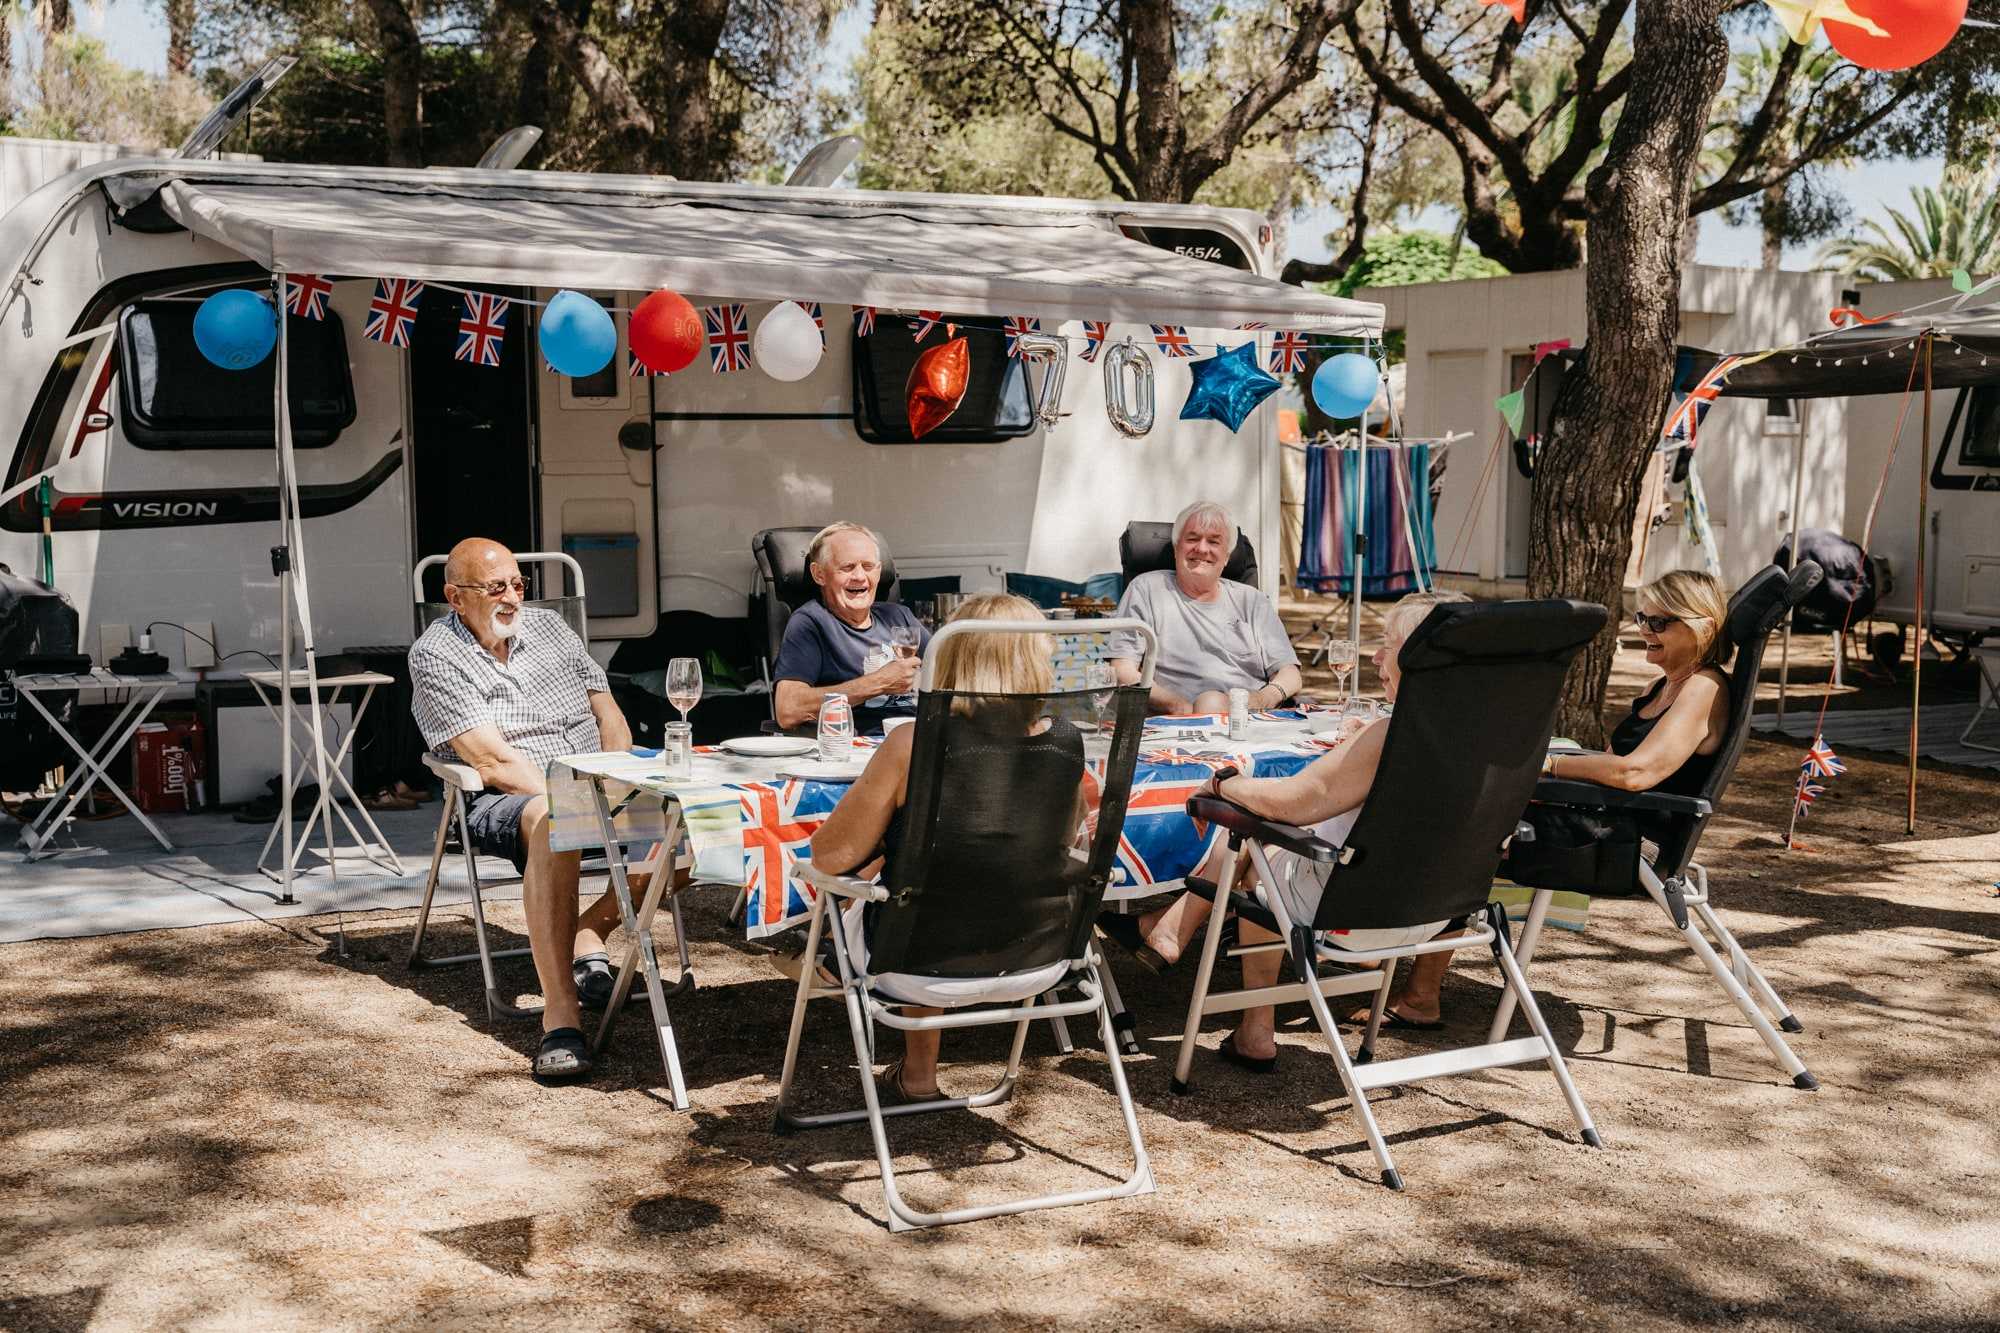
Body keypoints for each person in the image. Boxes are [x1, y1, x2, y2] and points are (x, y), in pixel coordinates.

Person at [1353, 569, 1737, 1031]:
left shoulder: (1703, 687)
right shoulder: (1661, 687)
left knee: (1459, 834)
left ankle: (1414, 988)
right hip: (1607, 820)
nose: (1644, 631)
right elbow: (1614, 763)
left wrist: (1546, 766)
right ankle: (1383, 957)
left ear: (1702, 627)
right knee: (1462, 812)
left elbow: (1635, 773)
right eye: (1641, 617)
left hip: (1629, 843)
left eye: (1659, 623)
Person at [1100, 591, 1470, 1069]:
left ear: (1421, 656)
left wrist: (1227, 785)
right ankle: (1171, 932)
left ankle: (1246, 1016)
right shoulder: (1487, 735)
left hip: (1356, 914)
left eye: (1388, 644)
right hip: (1439, 909)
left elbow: (1296, 803)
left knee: (1252, 844)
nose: (1375, 657)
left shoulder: (1391, 735)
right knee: (1265, 841)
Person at [802, 592, 1084, 1102]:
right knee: (939, 874)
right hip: (1039, 958)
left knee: (909, 885)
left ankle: (913, 1069)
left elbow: (829, 859)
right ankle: (917, 1075)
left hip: (917, 965)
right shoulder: (1065, 742)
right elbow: (1058, 843)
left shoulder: (914, 744)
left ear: (951, 657)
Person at [408, 537, 648, 1081]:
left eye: (519, 584)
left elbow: (606, 708)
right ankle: (561, 1015)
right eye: (497, 587)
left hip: (597, 779)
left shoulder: (551, 629)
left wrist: (617, 775)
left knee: (698, 818)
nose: (513, 597)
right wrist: (578, 800)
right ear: (455, 597)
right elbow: (492, 762)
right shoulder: (435, 655)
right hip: (507, 798)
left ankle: (591, 928)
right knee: (554, 817)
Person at [1106, 500, 1301, 716]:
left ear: (1227, 556)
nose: (1202, 548)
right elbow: (1122, 670)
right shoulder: (1146, 590)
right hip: (1175, 723)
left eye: (1214, 542)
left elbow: (1289, 672)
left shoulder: (1252, 601)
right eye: (1192, 539)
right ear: (1176, 548)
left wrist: (1261, 700)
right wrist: (1180, 708)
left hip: (1249, 719)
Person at [771, 522, 930, 732]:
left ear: (879, 571)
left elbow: (950, 666)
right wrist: (879, 682)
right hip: (857, 747)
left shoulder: (899, 616)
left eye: (868, 566)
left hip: (919, 739)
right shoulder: (811, 623)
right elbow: (788, 710)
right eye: (847, 567)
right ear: (819, 574)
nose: (860, 576)